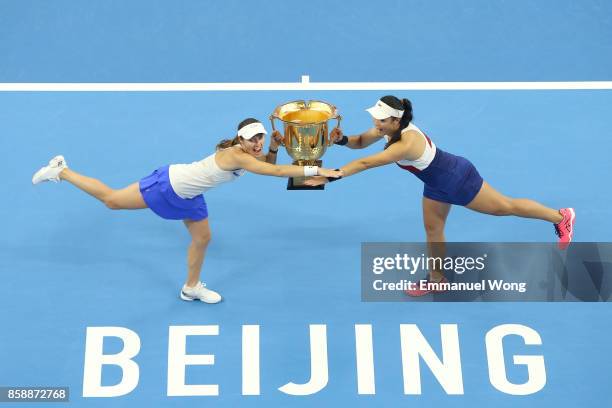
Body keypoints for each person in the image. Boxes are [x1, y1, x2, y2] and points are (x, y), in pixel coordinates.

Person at [32, 118, 343, 303]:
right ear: (240, 140)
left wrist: (274, 148)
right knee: (112, 201)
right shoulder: (237, 155)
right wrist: (318, 169)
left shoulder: (247, 153)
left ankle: (191, 288)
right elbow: (274, 174)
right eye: (254, 139)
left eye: (261, 137)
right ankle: (62, 171)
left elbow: (269, 165)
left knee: (203, 239)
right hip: (170, 185)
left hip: (192, 195)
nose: (259, 142)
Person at [306, 95, 575, 296]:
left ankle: (560, 216)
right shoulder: (385, 129)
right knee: (433, 230)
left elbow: (367, 162)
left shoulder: (406, 143)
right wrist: (341, 140)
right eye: (375, 118)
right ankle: (437, 278)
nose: (376, 123)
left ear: (396, 120)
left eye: (381, 119)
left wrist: (333, 175)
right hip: (435, 183)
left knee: (504, 207)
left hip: (456, 179)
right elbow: (361, 142)